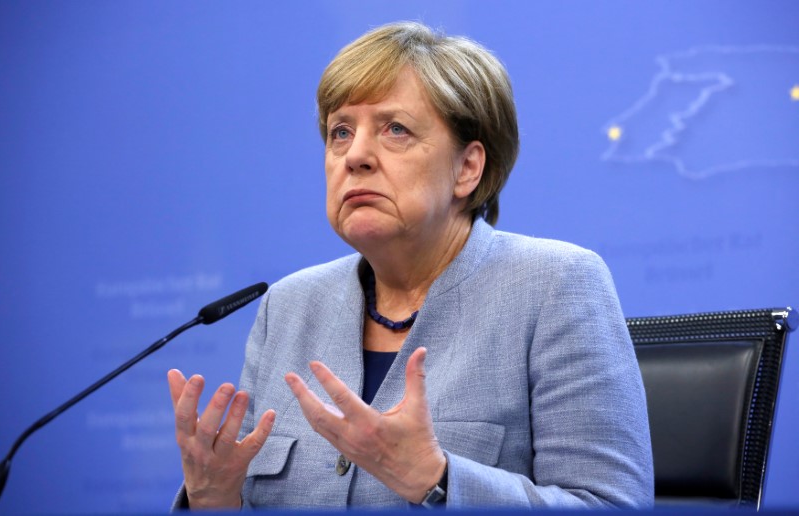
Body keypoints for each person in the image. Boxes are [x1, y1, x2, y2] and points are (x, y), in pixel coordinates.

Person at [167, 21, 654, 509]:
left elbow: (612, 505)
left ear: (467, 168)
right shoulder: (288, 307)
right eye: (340, 132)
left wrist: (438, 480)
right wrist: (215, 500)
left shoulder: (554, 286)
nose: (355, 155)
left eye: (394, 129)